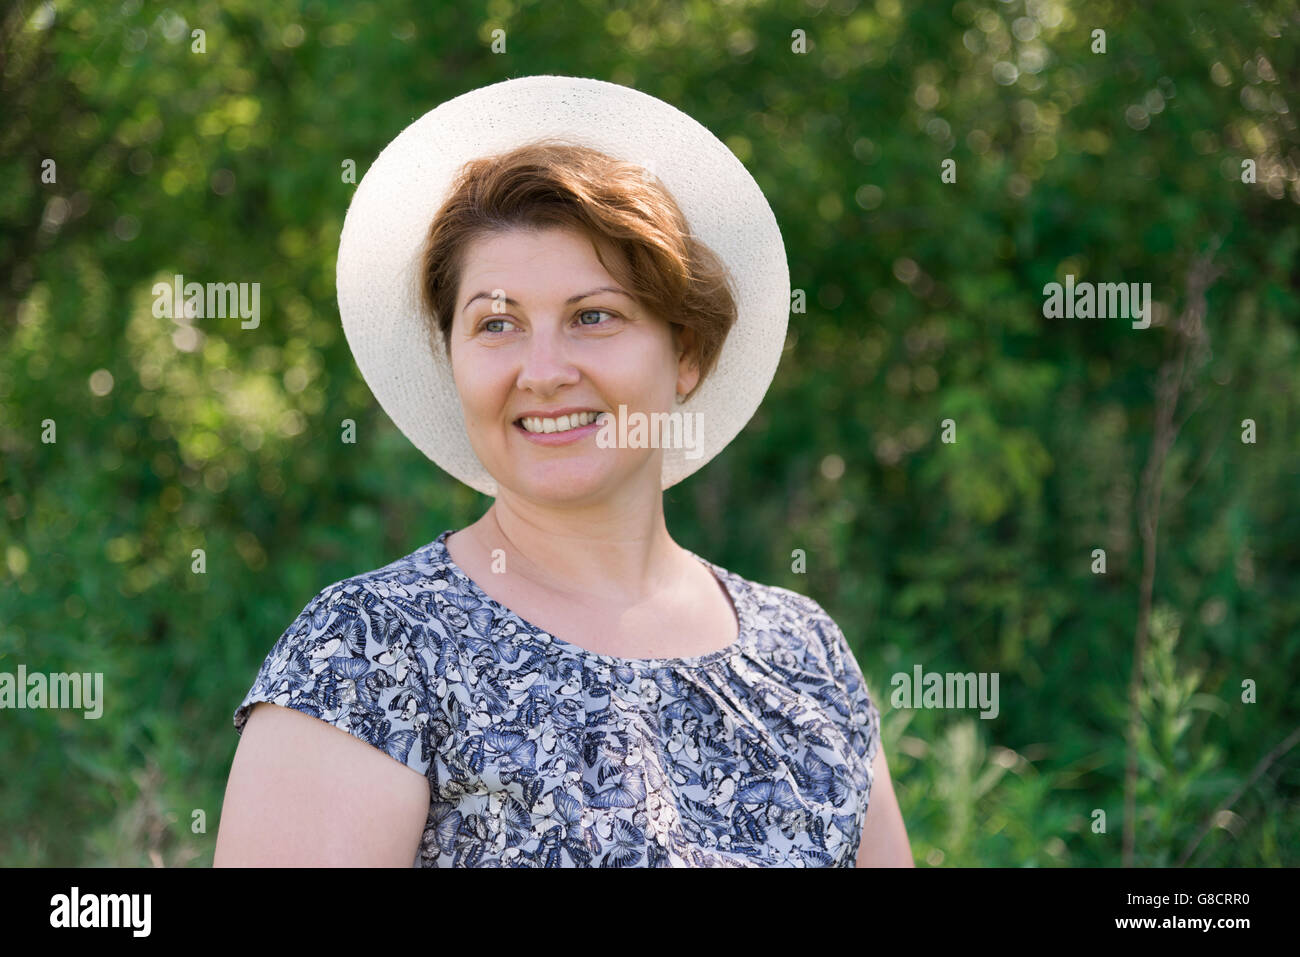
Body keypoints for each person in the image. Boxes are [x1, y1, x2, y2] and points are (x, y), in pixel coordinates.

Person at [214, 75, 912, 867]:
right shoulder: (369, 653)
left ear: (685, 352)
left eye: (593, 316)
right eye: (498, 323)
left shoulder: (806, 653)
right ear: (454, 358)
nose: (543, 371)